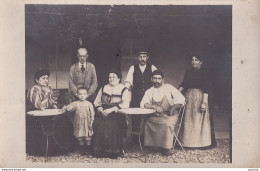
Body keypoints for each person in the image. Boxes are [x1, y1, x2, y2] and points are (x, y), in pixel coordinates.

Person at [26, 69, 74, 155]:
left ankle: (62, 147)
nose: (46, 80)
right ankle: (44, 149)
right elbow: (40, 106)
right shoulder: (34, 90)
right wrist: (49, 99)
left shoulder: (48, 88)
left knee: (66, 121)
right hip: (37, 117)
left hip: (49, 114)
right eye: (43, 78)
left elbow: (53, 103)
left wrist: (56, 106)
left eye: (47, 78)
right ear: (37, 80)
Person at [140, 70, 185, 156]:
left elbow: (181, 99)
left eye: (159, 78)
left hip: (170, 114)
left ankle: (166, 148)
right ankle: (152, 145)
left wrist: (173, 108)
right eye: (155, 78)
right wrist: (154, 107)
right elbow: (143, 103)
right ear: (151, 79)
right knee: (148, 122)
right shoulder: (149, 91)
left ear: (162, 79)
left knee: (166, 124)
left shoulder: (168, 87)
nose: (157, 81)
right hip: (156, 115)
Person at [178, 53, 215, 148]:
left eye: (196, 60)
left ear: (201, 62)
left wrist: (204, 103)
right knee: (188, 119)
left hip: (200, 97)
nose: (194, 62)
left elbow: (207, 88)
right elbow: (184, 84)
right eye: (192, 60)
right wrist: (176, 94)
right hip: (189, 97)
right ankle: (187, 143)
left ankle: (200, 143)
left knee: (198, 119)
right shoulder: (188, 72)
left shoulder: (205, 72)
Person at [92, 69, 130, 159]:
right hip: (103, 112)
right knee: (98, 123)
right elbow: (97, 102)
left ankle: (113, 151)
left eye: (114, 77)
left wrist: (112, 109)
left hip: (117, 113)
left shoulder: (124, 89)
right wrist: (101, 110)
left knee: (111, 125)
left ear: (119, 78)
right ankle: (100, 151)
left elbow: (126, 104)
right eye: (110, 77)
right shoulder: (103, 88)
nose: (111, 79)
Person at [124, 51, 157, 144]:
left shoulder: (152, 67)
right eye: (140, 57)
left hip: (149, 96)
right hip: (136, 96)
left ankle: (148, 141)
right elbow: (128, 81)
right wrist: (126, 89)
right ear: (137, 58)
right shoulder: (133, 68)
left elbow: (158, 78)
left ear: (147, 57)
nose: (142, 58)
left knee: (149, 116)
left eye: (144, 57)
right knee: (136, 117)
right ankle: (135, 141)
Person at [61, 87, 95, 155]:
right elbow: (69, 108)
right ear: (77, 95)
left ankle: (88, 151)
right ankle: (82, 150)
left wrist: (91, 122)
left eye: (84, 94)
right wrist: (65, 108)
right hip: (79, 123)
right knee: (80, 136)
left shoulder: (89, 104)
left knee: (87, 137)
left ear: (87, 95)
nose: (82, 95)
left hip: (87, 123)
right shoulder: (76, 103)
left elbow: (92, 114)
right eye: (80, 94)